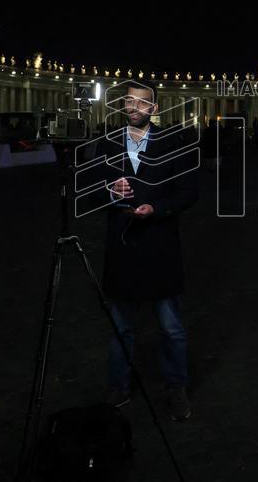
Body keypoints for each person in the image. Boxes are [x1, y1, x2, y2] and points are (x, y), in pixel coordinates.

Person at [86, 81, 199, 421]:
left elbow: (189, 192)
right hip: (122, 248)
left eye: (141, 102)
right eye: (129, 101)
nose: (133, 106)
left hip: (160, 245)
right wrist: (109, 191)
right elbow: (89, 191)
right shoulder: (104, 144)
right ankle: (119, 386)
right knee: (121, 327)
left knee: (171, 328)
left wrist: (157, 208)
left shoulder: (174, 143)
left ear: (154, 109)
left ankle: (176, 387)